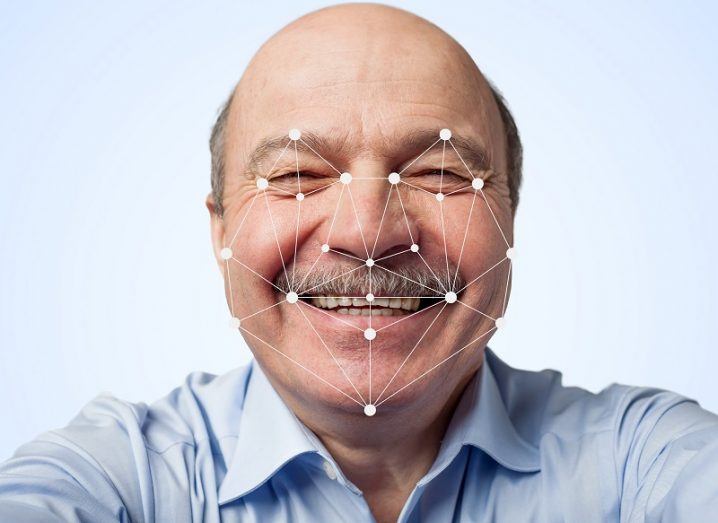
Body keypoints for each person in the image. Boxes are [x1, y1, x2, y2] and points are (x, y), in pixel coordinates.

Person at [1, 4, 716, 522]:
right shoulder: (122, 478)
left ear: (509, 223)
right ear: (218, 231)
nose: (369, 235)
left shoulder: (639, 462)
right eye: (295, 176)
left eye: (439, 173)